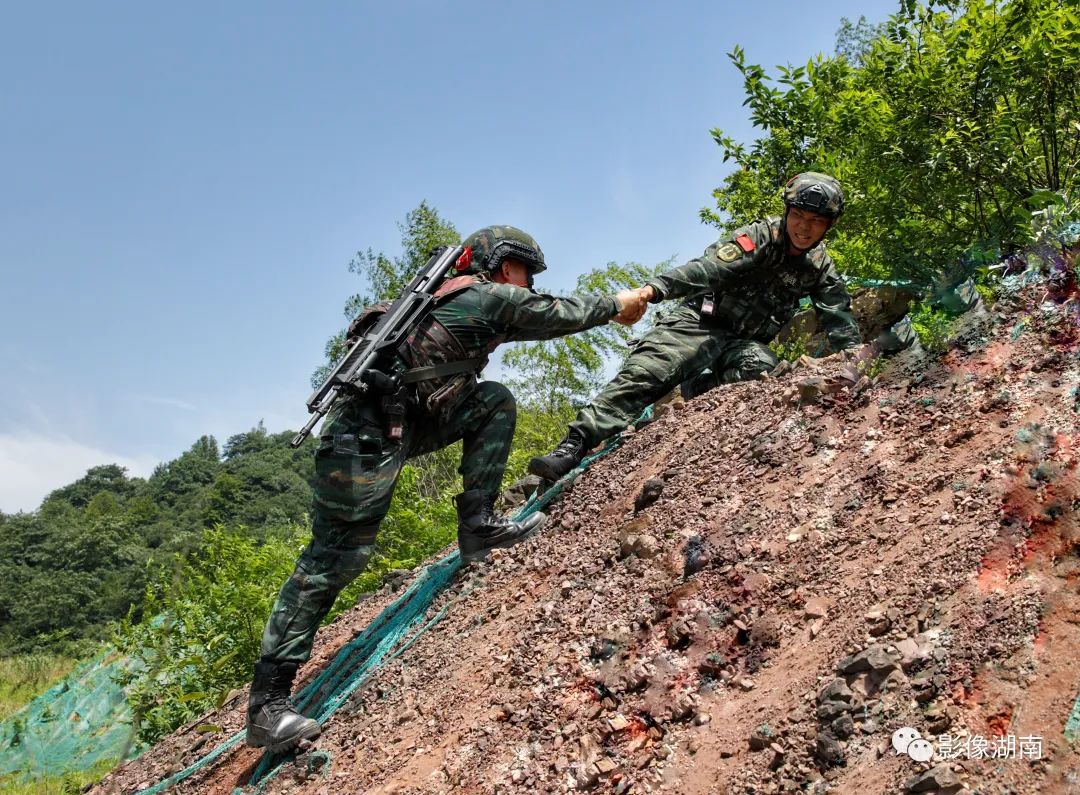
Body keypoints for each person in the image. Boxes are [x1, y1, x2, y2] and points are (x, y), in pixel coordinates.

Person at [246, 225, 648, 752]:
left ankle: (478, 527)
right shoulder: (483, 297)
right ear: (507, 267)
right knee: (335, 557)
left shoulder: (464, 303)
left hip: (403, 423)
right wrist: (618, 304)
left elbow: (535, 324)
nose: (529, 283)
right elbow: (556, 314)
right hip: (362, 439)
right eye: (527, 272)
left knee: (493, 402)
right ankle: (267, 705)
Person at [529, 172, 861, 482]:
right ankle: (573, 445)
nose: (804, 228)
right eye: (798, 216)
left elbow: (839, 319)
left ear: (828, 226)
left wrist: (856, 365)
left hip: (740, 343)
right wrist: (652, 290)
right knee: (648, 371)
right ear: (787, 212)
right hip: (699, 323)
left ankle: (695, 390)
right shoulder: (758, 238)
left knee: (760, 367)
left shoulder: (819, 268)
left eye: (815, 222)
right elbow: (705, 269)